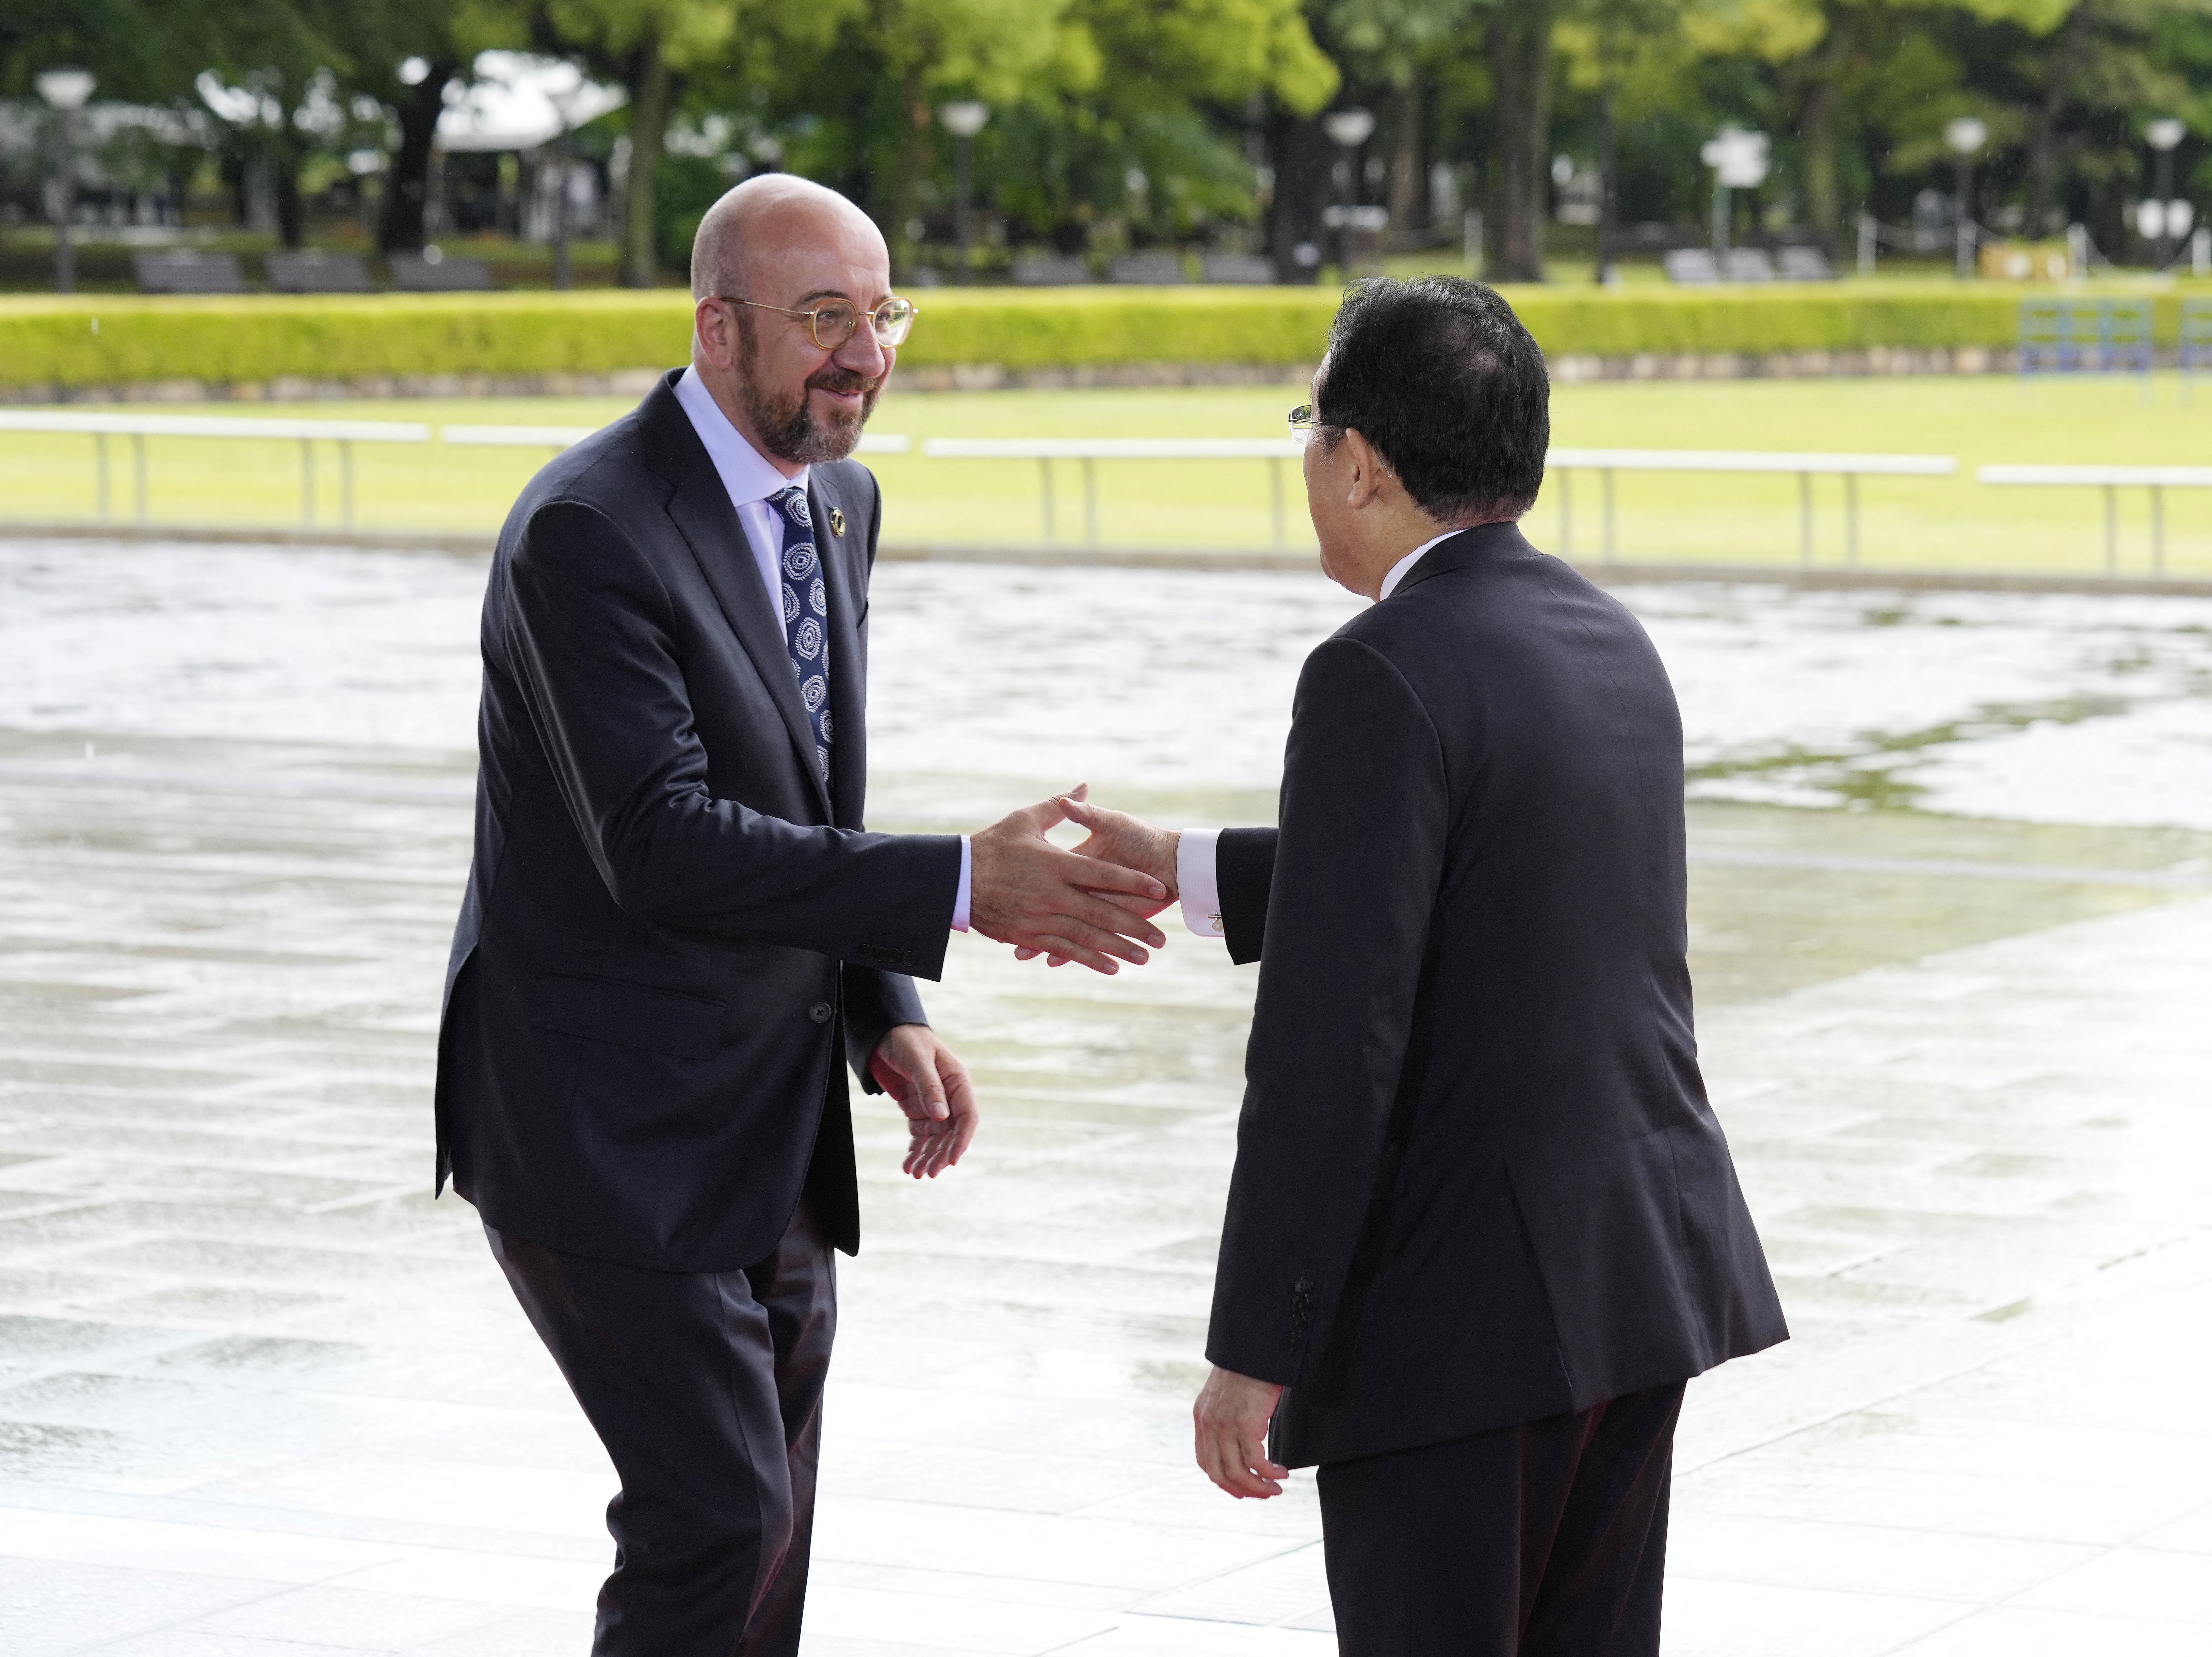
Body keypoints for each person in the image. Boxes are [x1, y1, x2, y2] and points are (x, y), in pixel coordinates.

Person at [431, 175, 1168, 1657]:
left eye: (881, 313)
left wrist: (884, 1006)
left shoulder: (837, 496)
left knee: (772, 1526)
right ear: (716, 328)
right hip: (601, 1117)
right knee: (718, 1514)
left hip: (767, 1112)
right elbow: (659, 843)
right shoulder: (587, 529)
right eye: (823, 318)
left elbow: (809, 783)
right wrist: (961, 882)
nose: (866, 355)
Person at [1053, 277, 1788, 1656]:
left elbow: (1333, 1040)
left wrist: (1253, 1343)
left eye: (1306, 422)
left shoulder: (1376, 668)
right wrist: (1186, 864)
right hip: (1630, 1281)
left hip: (1458, 1325)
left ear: (1361, 461)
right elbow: (1486, 882)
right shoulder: (1598, 635)